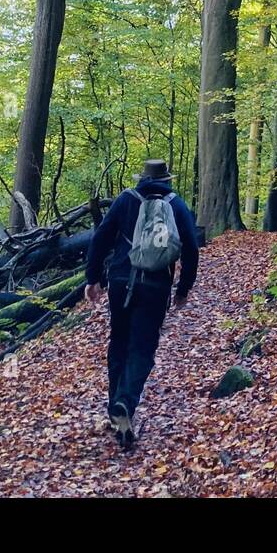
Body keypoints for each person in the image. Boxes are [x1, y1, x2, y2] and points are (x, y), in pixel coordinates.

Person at [85, 159, 199, 447]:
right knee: (143, 348)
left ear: (142, 178)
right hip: (156, 287)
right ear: (167, 179)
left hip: (121, 282)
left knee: (119, 342)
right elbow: (192, 248)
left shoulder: (126, 199)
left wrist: (93, 279)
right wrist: (183, 288)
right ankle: (125, 403)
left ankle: (116, 407)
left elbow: (100, 238)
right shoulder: (176, 204)